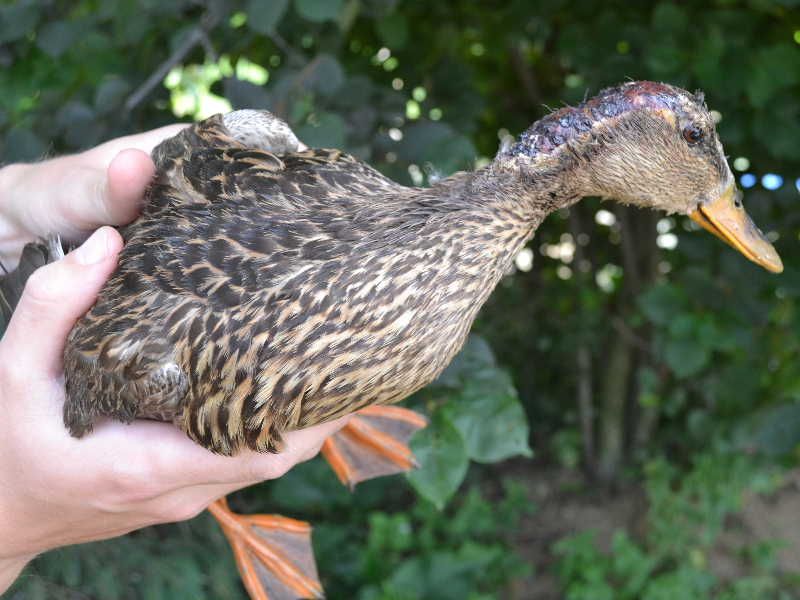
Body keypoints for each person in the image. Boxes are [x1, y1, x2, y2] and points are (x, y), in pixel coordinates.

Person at [0, 125, 348, 593]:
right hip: (108, 335)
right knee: (191, 410)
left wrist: (12, 203)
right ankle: (232, 517)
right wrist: (15, 517)